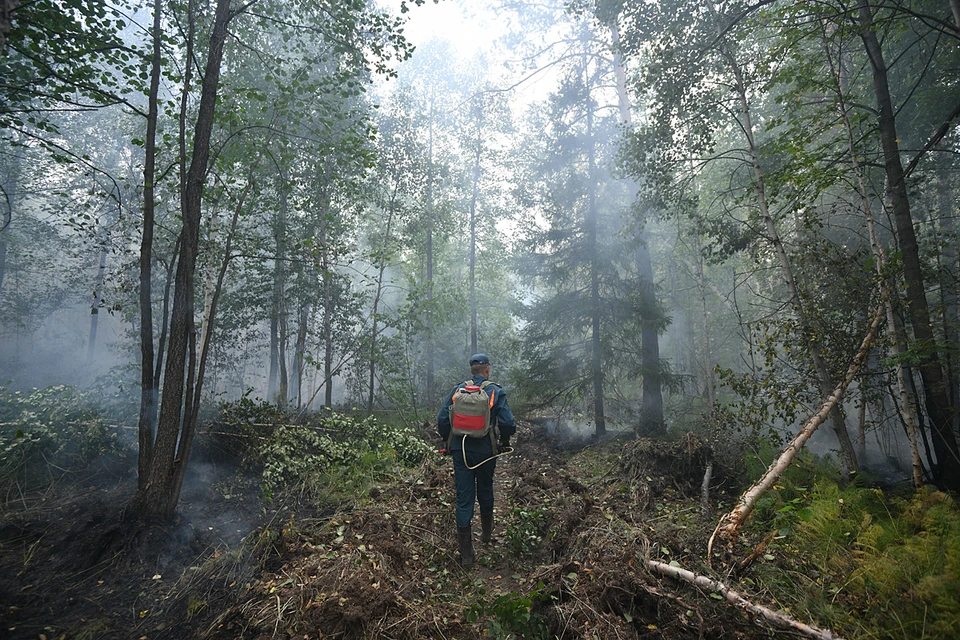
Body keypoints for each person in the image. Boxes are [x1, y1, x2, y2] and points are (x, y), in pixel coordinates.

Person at [437, 353, 516, 569]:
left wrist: (447, 440)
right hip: (485, 451)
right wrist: (505, 440)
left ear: (472, 370)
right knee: (486, 489)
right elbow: (508, 422)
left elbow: (442, 418)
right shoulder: (495, 391)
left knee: (464, 498)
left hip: (460, 451)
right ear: (487, 369)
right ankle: (487, 536)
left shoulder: (458, 390)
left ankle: (466, 556)